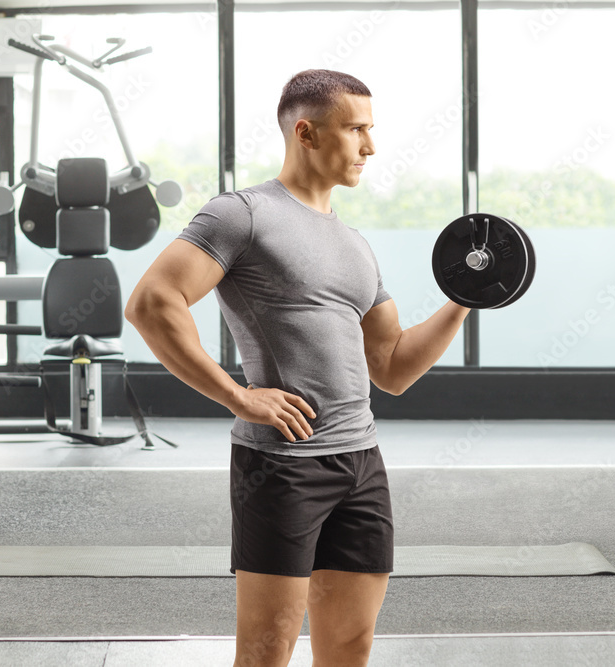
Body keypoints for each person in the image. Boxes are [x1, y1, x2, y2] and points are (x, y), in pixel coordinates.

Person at [125, 69, 470, 667]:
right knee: (266, 654)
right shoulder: (243, 215)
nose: (371, 147)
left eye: (372, 130)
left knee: (349, 646)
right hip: (281, 467)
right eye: (356, 129)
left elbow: (391, 367)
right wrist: (240, 396)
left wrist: (466, 296)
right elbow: (153, 303)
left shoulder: (354, 243)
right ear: (305, 132)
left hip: (360, 463)